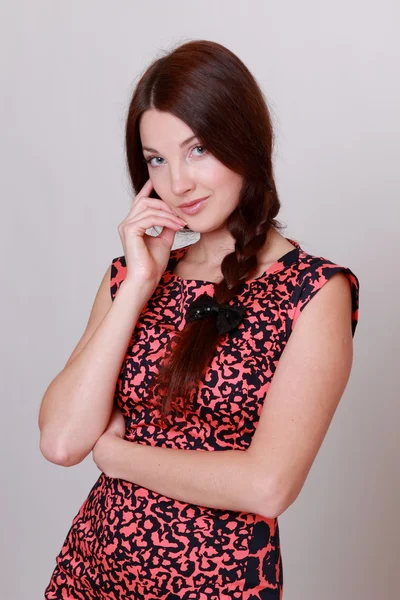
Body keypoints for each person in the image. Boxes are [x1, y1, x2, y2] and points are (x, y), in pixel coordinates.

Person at [39, 39, 360, 600]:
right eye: (157, 159)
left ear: (245, 141)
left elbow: (267, 486)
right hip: (94, 572)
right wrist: (140, 282)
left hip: (214, 584)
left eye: (198, 149)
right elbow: (63, 441)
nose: (178, 183)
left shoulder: (314, 291)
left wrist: (116, 456)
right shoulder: (132, 275)